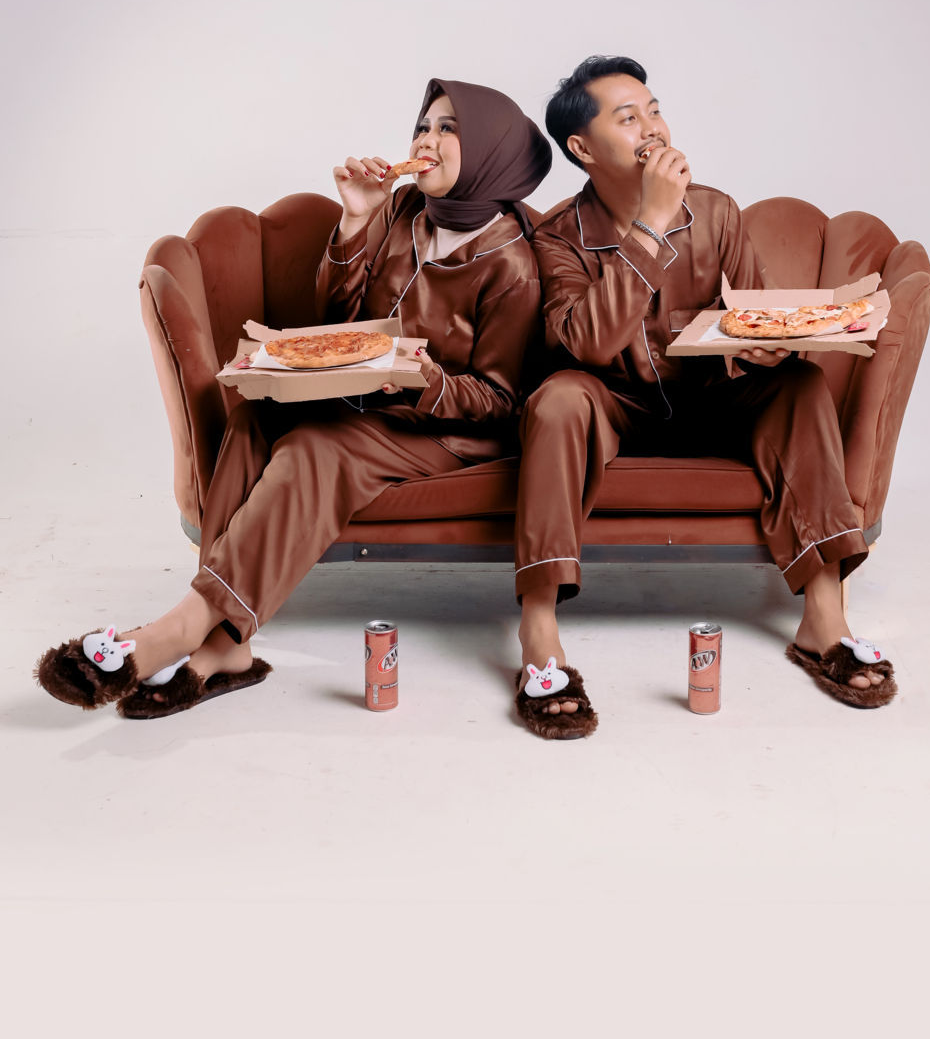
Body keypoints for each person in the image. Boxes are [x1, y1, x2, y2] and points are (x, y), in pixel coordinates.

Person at [36, 79, 551, 719]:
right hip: (367, 402)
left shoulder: (512, 263)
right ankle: (230, 647)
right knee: (255, 418)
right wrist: (357, 217)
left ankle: (179, 629)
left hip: (443, 432)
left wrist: (428, 381)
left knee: (315, 447)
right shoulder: (403, 210)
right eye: (424, 125)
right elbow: (339, 323)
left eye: (450, 129)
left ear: (492, 151)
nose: (427, 140)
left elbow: (501, 399)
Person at [513, 55, 896, 740]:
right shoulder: (557, 235)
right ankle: (539, 632)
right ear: (582, 148)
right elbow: (586, 343)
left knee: (800, 385)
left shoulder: (717, 210)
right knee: (557, 398)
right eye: (627, 118)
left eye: (654, 109)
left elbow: (755, 318)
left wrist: (770, 345)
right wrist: (652, 226)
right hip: (614, 407)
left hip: (711, 399)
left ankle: (823, 618)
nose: (652, 128)